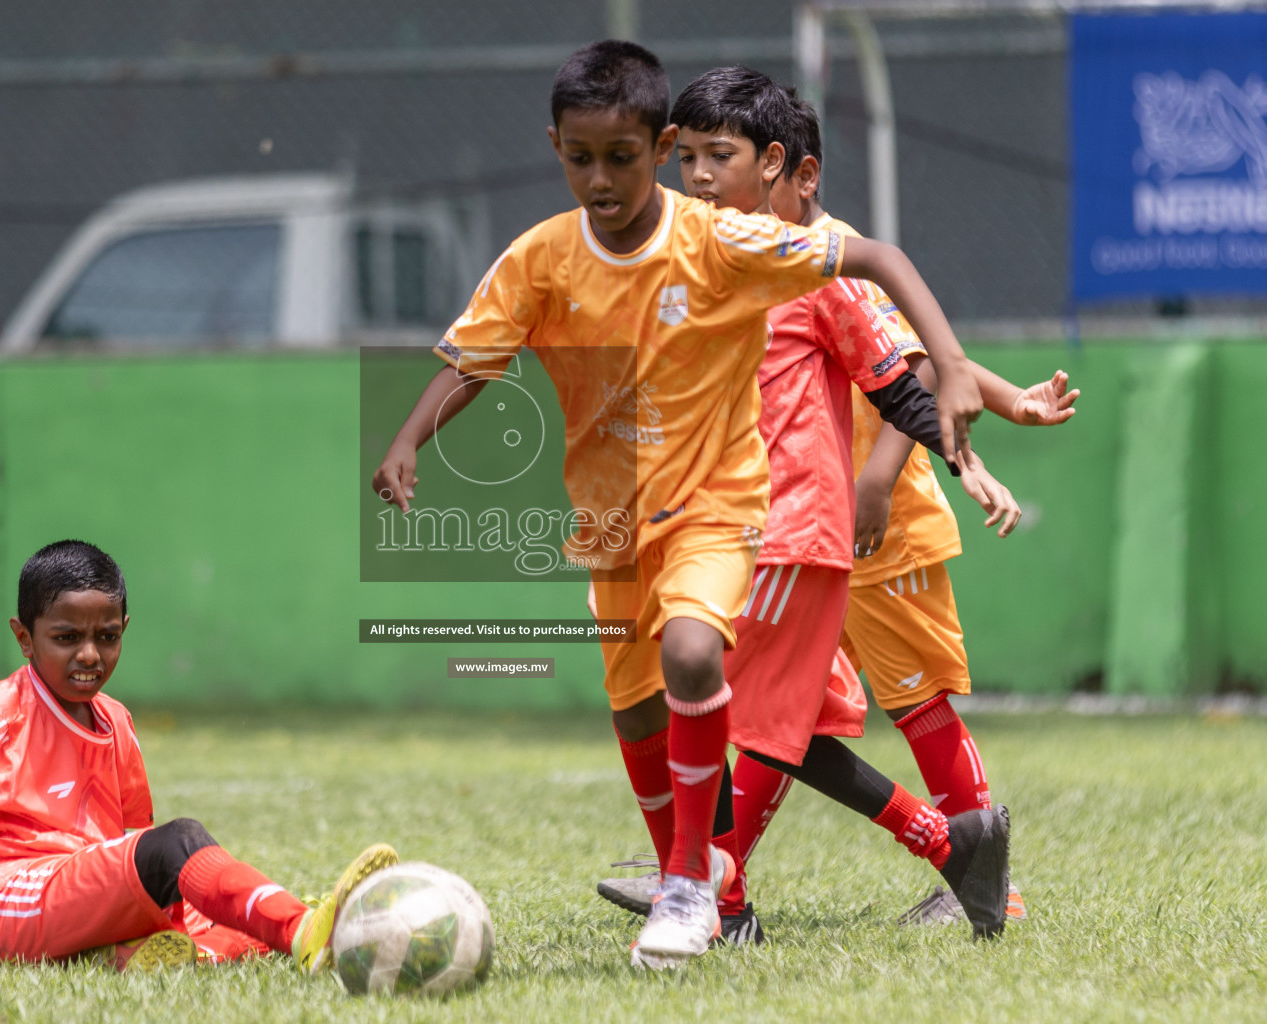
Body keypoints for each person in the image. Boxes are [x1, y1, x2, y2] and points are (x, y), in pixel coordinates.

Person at [372, 40, 995, 968]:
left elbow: (879, 300)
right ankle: (758, 866)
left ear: (658, 148)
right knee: (658, 717)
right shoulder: (541, 259)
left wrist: (953, 392)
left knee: (705, 666)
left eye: (622, 157)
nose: (600, 178)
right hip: (616, 528)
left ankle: (705, 884)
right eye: (579, 158)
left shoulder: (734, 246)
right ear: (555, 149)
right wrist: (408, 437)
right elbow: (475, 359)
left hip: (744, 516)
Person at [591, 67, 1022, 947]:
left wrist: (961, 450)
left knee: (856, 705)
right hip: (744, 531)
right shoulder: (693, 262)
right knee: (784, 726)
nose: (702, 177)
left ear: (790, 171)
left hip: (838, 529)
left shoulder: (814, 261)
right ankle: (926, 848)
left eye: (724, 157)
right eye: (691, 159)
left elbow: (904, 369)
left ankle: (719, 888)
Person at [0, 539, 397, 970]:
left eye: (108, 636)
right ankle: (303, 929)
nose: (89, 655)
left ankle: (125, 955)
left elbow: (129, 839)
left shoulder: (116, 720)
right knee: (180, 843)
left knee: (224, 917)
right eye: (66, 637)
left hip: (80, 885)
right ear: (24, 638)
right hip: (8, 901)